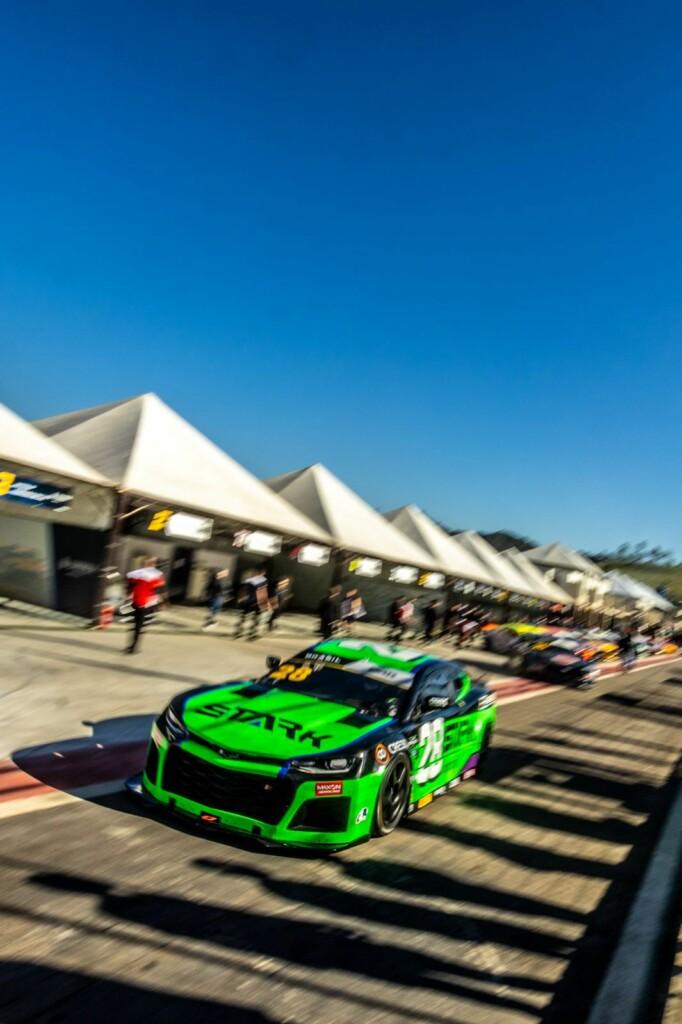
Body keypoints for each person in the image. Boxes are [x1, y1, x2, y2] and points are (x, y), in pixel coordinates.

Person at [125, 556, 165, 654]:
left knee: (136, 625)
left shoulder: (138, 575)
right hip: (145, 603)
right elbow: (159, 589)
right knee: (139, 625)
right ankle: (133, 647)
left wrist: (129, 592)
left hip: (139, 602)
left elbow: (130, 583)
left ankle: (132, 646)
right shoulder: (156, 577)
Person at [234, 567, 270, 640]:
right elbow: (262, 592)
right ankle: (248, 633)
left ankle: (242, 633)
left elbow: (243, 590)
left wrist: (240, 598)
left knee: (248, 618)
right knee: (251, 618)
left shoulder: (253, 580)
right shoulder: (259, 581)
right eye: (261, 573)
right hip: (253, 602)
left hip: (252, 602)